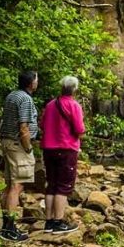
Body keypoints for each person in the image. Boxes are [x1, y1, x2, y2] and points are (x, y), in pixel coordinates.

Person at [39, 75, 86, 234]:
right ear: (74, 89)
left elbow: (42, 124)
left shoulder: (51, 105)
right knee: (63, 186)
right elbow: (79, 130)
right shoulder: (74, 105)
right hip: (66, 150)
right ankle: (58, 222)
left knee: (51, 184)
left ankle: (49, 222)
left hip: (48, 149)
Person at [0, 71, 39, 242]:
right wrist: (28, 148)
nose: (38, 83)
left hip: (8, 142)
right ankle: (10, 228)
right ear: (31, 83)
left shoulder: (12, 95)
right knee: (17, 186)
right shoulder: (25, 99)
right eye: (37, 80)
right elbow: (24, 127)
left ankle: (5, 226)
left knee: (9, 185)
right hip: (18, 145)